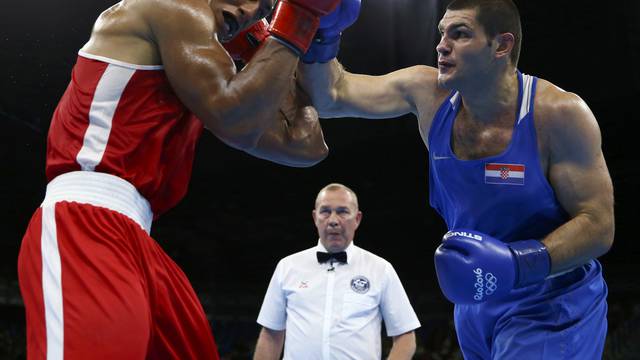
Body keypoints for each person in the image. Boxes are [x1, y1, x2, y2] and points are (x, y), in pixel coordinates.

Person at [16, 0, 346, 357]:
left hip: (137, 237)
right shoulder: (169, 6)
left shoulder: (203, 79)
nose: (249, 10)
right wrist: (297, 21)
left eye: (265, 7)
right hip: (84, 220)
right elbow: (234, 117)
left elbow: (307, 147)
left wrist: (263, 49)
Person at [298, 0, 615, 358]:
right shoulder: (428, 94)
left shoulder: (557, 114)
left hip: (553, 302)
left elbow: (599, 223)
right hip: (475, 302)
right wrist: (321, 32)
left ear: (501, 45)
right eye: (442, 33)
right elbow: (330, 96)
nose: (442, 44)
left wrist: (518, 262)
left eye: (460, 33)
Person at [253, 183, 420, 360]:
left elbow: (405, 337)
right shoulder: (287, 267)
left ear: (357, 218)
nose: (333, 220)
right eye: (325, 211)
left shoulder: (380, 269)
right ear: (315, 217)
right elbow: (270, 334)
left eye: (342, 211)